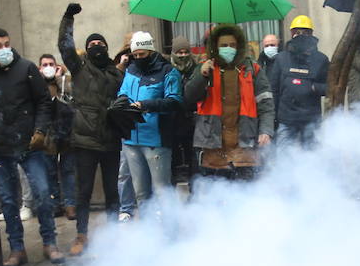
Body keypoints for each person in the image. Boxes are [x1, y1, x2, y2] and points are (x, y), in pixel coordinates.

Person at [0, 27, 59, 266]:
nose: (4, 49)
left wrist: (40, 131)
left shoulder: (26, 68)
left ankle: (50, 242)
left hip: (29, 144)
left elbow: (43, 102)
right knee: (8, 201)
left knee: (43, 193)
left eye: (6, 43)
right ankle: (17, 249)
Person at [58, 6, 127, 256]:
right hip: (85, 142)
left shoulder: (115, 73)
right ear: (86, 49)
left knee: (112, 192)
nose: (96, 46)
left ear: (107, 47)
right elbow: (65, 46)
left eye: (100, 42)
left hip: (110, 141)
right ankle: (81, 235)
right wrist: (68, 19)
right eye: (92, 43)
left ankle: (114, 236)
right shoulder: (79, 68)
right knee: (83, 191)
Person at [183, 23, 275, 179]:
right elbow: (189, 97)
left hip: (245, 148)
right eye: (224, 45)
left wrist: (266, 130)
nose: (229, 48)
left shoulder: (253, 69)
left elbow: (266, 103)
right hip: (212, 149)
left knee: (246, 197)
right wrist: (202, 76)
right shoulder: (205, 68)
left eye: (232, 45)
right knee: (213, 198)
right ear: (215, 47)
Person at [117, 30, 182, 219]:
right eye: (134, 55)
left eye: (142, 55)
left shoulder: (168, 72)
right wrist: (120, 103)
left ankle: (171, 231)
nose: (138, 58)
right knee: (141, 193)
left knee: (162, 190)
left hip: (156, 139)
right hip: (131, 138)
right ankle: (147, 234)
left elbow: (175, 101)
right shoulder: (131, 70)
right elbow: (122, 92)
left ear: (151, 52)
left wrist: (146, 105)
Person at [271, 14, 329, 145]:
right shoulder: (281, 58)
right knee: (285, 156)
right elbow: (274, 89)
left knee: (311, 157)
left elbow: (330, 87)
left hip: (311, 120)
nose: (300, 35)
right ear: (291, 33)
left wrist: (314, 87)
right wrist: (273, 118)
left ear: (311, 33)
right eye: (296, 31)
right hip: (286, 119)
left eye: (304, 32)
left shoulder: (321, 60)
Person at [38, 52, 79, 221]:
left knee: (68, 171)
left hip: (67, 133)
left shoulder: (65, 81)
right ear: (39, 68)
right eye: (44, 64)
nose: (48, 67)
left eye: (50, 64)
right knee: (50, 172)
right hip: (47, 135)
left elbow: (70, 99)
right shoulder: (36, 83)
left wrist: (58, 79)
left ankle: (70, 205)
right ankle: (55, 205)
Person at [168, 34, 199, 181]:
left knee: (193, 159)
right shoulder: (167, 69)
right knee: (172, 159)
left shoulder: (196, 69)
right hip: (172, 120)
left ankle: (195, 194)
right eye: (179, 52)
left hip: (191, 120)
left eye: (186, 52)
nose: (183, 55)